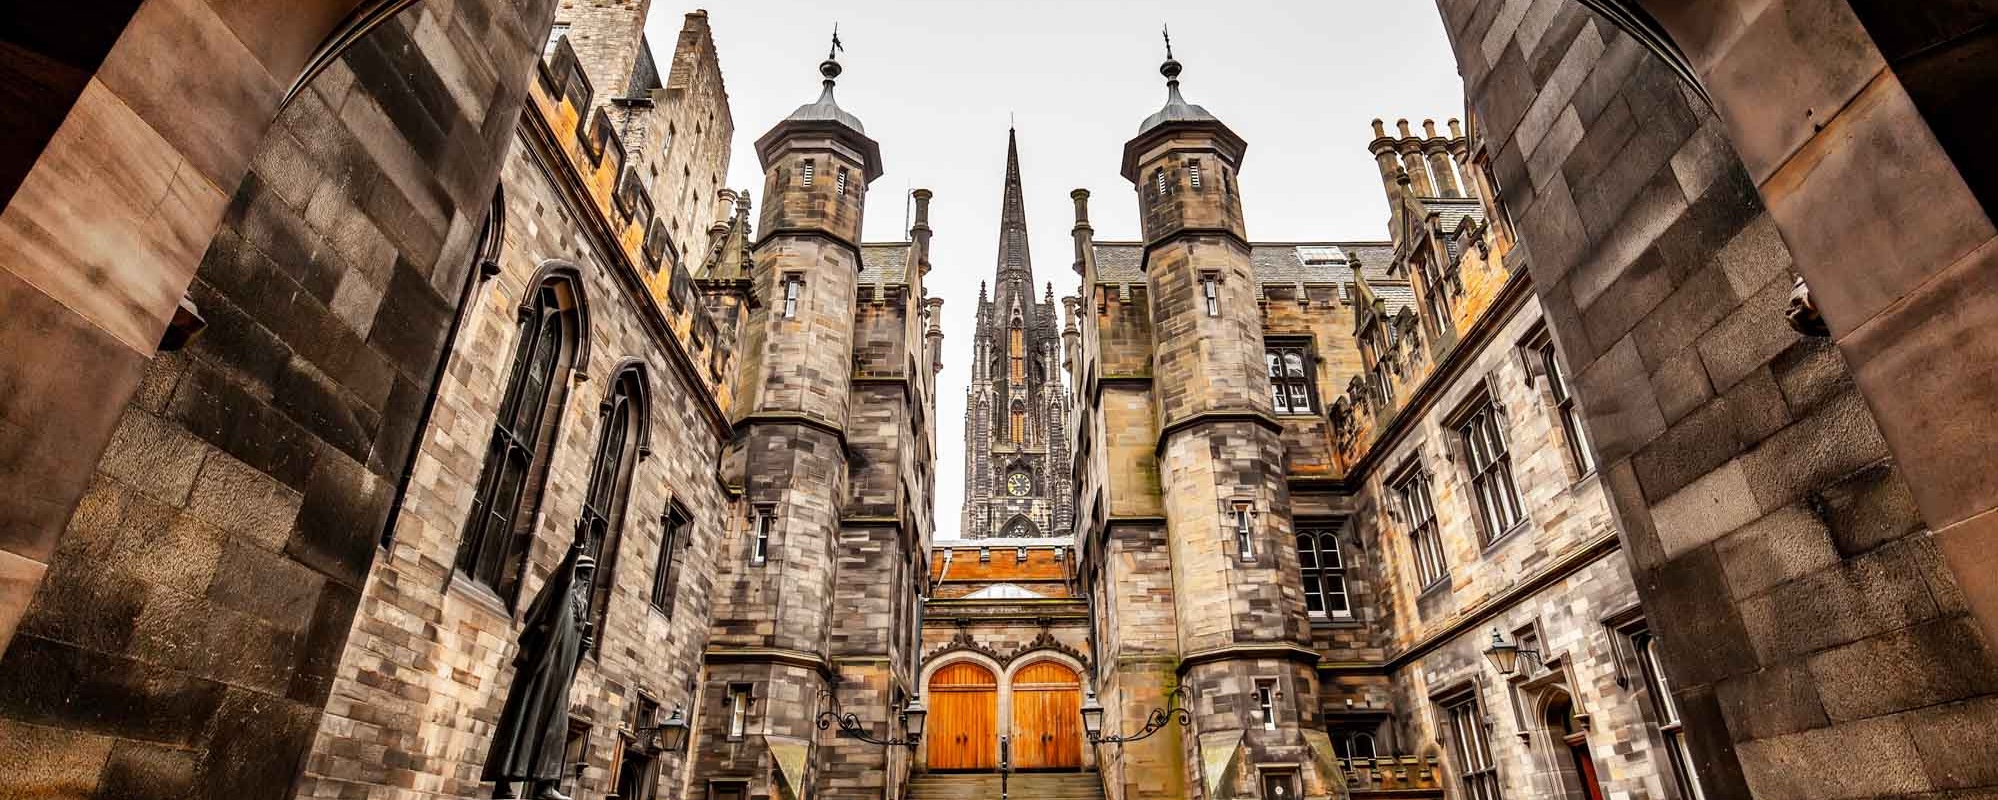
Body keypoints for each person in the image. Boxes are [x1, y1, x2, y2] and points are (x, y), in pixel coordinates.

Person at [482, 528, 596, 800]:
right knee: (525, 719)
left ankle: (545, 785)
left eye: (588, 579)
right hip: (542, 670)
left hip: (560, 677)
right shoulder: (563, 595)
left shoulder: (579, 611)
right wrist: (576, 548)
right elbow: (564, 579)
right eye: (583, 576)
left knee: (557, 727)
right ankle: (505, 783)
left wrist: (583, 649)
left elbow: (574, 649)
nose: (585, 584)